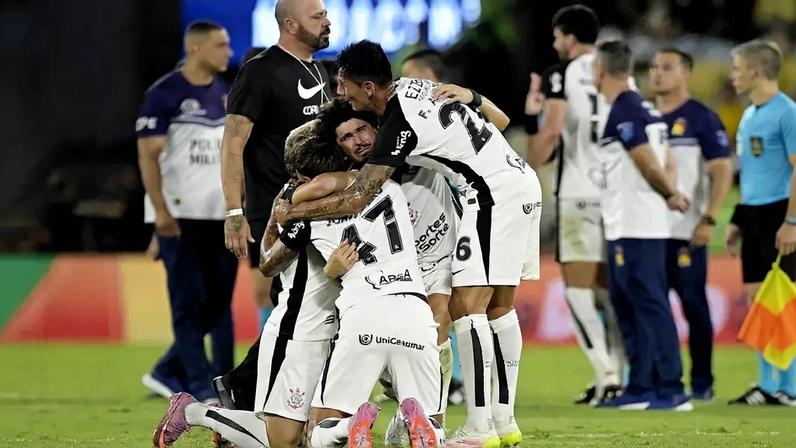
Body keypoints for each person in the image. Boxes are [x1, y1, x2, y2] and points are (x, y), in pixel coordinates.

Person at [274, 40, 542, 448]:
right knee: (499, 306)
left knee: (467, 308)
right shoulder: (412, 87)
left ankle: (479, 428)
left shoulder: (398, 121)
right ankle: (503, 422)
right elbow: (500, 122)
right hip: (519, 180)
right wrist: (472, 96)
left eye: (344, 85)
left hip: (489, 195)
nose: (340, 93)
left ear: (367, 86)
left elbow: (361, 194)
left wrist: (292, 213)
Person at [153, 119, 445, 448]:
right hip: (299, 333)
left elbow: (267, 259)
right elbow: (266, 263)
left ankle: (349, 427)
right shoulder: (368, 191)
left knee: (308, 434)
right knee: (283, 441)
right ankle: (193, 412)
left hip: (344, 325)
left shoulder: (305, 209)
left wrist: (287, 208)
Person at [214, 0, 333, 411]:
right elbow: (233, 143)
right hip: (277, 211)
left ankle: (252, 389)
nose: (327, 21)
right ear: (290, 24)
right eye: (317, 16)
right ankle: (251, 388)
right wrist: (234, 211)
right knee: (301, 304)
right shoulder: (261, 70)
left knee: (306, 306)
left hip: (320, 208)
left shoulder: (323, 71)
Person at [524, 4, 623, 405]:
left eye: (555, 36)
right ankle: (618, 373)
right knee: (609, 290)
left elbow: (549, 138)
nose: (554, 44)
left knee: (578, 291)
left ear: (567, 36)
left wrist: (533, 121)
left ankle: (607, 371)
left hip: (579, 193)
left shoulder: (560, 75)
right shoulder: (617, 69)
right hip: (617, 196)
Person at [136, 20, 238, 402]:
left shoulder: (227, 93)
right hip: (180, 216)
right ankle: (197, 382)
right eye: (220, 45)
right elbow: (148, 156)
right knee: (187, 303)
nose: (228, 52)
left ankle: (167, 370)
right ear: (196, 48)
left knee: (216, 302)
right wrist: (160, 213)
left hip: (221, 214)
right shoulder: (165, 93)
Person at [592, 40, 693, 411]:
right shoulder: (641, 107)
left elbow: (648, 162)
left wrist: (669, 193)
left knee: (648, 303)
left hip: (636, 225)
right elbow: (667, 157)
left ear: (599, 70)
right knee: (629, 302)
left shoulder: (625, 109)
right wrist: (670, 189)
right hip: (630, 223)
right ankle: (641, 385)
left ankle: (671, 387)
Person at [649, 47, 734, 401]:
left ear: (686, 73)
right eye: (653, 67)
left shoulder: (701, 117)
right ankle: (658, 380)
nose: (657, 73)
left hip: (685, 230)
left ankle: (702, 382)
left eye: (666, 67)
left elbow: (722, 170)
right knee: (651, 310)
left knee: (694, 306)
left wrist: (709, 218)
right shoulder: (643, 115)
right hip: (647, 231)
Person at [725, 39, 796, 406]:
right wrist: (739, 219)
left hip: (780, 214)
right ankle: (768, 385)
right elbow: (753, 174)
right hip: (753, 215)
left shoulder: (788, 113)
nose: (732, 76)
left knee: (786, 302)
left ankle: (792, 386)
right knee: (758, 302)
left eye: (737, 68)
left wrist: (792, 221)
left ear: (755, 71)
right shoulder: (751, 114)